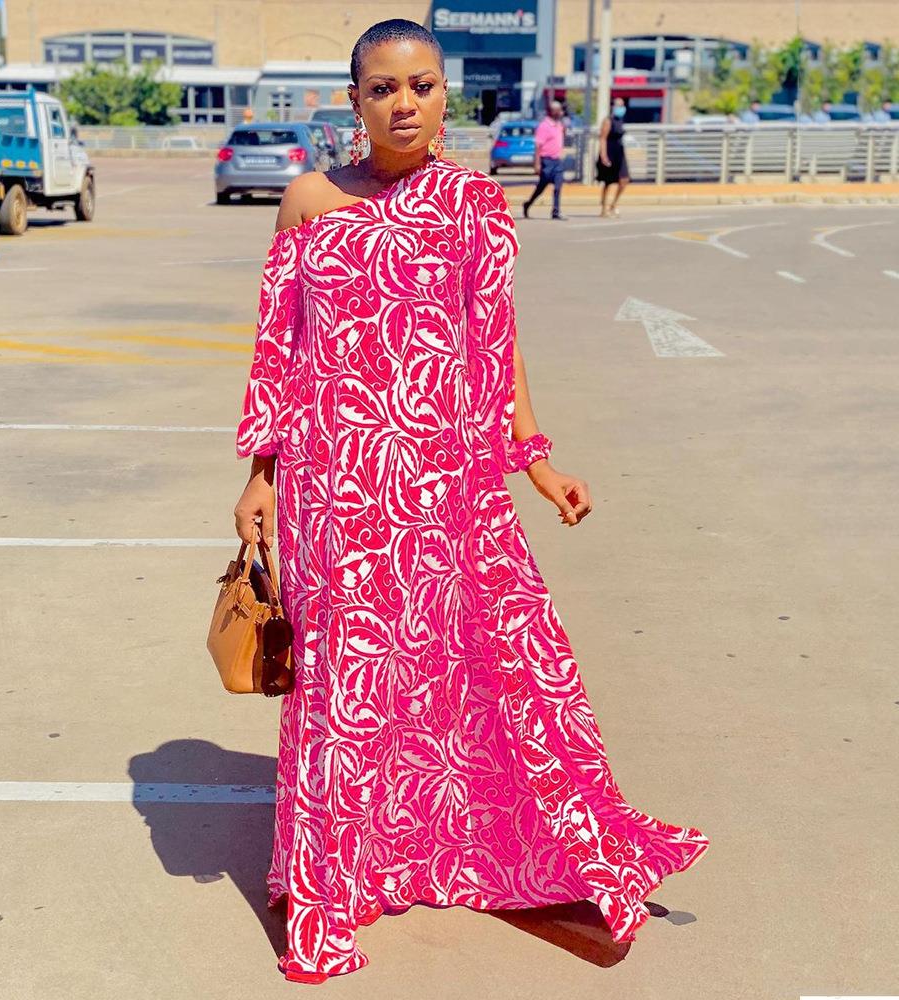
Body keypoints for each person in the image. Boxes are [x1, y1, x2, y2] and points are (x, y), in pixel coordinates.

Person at [234, 17, 710, 984]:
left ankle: (452, 842)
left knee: (479, 667)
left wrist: (535, 460)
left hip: (442, 482)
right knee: (343, 682)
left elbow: (499, 342)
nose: (403, 104)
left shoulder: (473, 203)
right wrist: (260, 473)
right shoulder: (307, 202)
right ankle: (332, 883)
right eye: (382, 88)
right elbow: (279, 350)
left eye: (421, 85)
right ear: (354, 100)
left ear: (446, 93)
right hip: (333, 488)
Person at [521, 100, 567, 220]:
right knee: (541, 187)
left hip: (557, 161)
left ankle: (556, 211)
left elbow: (562, 136)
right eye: (557, 110)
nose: (559, 112)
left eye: (560, 110)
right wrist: (537, 164)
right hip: (546, 161)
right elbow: (538, 146)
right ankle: (528, 204)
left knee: (558, 186)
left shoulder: (559, 125)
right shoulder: (544, 126)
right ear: (551, 112)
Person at [596, 96, 630, 218]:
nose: (621, 108)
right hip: (610, 152)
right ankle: (604, 208)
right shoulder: (608, 121)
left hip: (619, 152)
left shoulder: (621, 120)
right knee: (608, 181)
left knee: (624, 179)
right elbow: (603, 138)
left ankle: (613, 204)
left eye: (622, 105)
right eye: (618, 105)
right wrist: (603, 155)